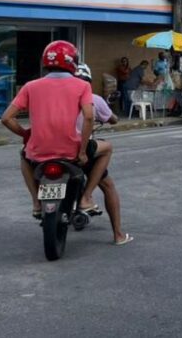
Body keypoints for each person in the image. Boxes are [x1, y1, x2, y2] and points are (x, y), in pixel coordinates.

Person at [0, 41, 111, 221]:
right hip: (71, 151)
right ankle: (86, 198)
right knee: (107, 148)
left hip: (39, 151)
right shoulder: (82, 86)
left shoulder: (30, 86)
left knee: (23, 156)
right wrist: (82, 151)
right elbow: (89, 117)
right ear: (72, 62)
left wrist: (25, 134)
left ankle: (36, 203)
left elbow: (6, 118)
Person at [75, 64, 133, 245]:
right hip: (79, 149)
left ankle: (39, 205)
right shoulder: (93, 99)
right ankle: (118, 235)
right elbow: (114, 120)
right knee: (108, 185)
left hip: (52, 148)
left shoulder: (56, 98)